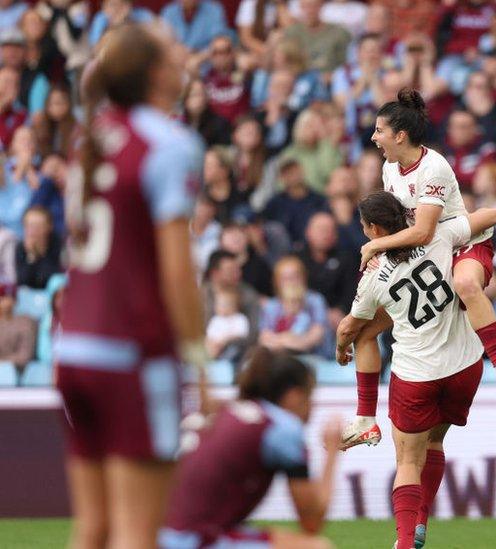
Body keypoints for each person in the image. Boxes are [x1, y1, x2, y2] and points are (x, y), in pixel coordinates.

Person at [54, 25, 208, 549]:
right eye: (172, 50)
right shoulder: (169, 143)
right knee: (138, 535)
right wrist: (199, 360)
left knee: (91, 528)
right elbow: (175, 271)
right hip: (131, 352)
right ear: (156, 73)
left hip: (72, 346)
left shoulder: (91, 137)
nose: (182, 56)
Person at [343, 90, 496, 451]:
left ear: (400, 135)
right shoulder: (389, 169)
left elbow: (425, 230)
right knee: (365, 333)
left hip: (462, 244)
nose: (373, 138)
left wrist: (374, 246)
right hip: (426, 257)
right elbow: (402, 227)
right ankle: (365, 421)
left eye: (379, 131)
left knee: (464, 283)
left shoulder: (434, 167)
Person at [335, 191, 496, 549]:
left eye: (366, 228)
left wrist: (340, 347)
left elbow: (351, 328)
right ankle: (421, 522)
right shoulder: (439, 236)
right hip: (464, 366)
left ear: (375, 229)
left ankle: (404, 540)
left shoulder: (373, 275)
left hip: (418, 374)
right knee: (435, 442)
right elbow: (492, 215)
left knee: (408, 460)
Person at [159, 347, 340, 549]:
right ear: (294, 395)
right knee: (318, 547)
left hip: (157, 534)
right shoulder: (282, 429)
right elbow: (312, 522)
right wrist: (333, 451)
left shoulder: (229, 411)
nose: (311, 406)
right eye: (310, 396)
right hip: (192, 540)